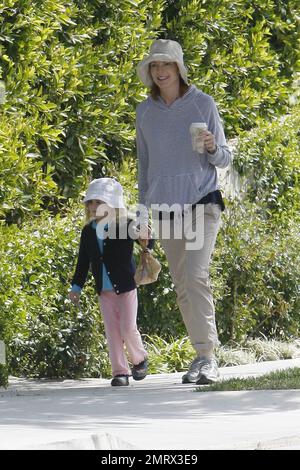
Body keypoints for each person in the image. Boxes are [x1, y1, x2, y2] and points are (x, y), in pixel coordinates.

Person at [135, 39, 232, 384]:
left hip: (201, 202)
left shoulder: (202, 103)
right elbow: (144, 167)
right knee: (181, 284)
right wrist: (141, 215)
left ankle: (207, 356)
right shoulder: (143, 112)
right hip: (163, 208)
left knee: (195, 275)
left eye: (167, 66)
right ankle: (199, 355)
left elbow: (224, 158)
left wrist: (212, 147)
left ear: (179, 68)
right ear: (149, 72)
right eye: (154, 67)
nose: (160, 72)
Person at [69, 177, 148, 386]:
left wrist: (146, 236)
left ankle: (139, 359)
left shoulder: (124, 224)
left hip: (126, 287)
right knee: (112, 331)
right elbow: (83, 261)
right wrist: (76, 286)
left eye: (99, 202)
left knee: (128, 327)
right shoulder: (88, 231)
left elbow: (147, 238)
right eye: (91, 203)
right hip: (104, 291)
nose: (94, 207)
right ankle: (120, 372)